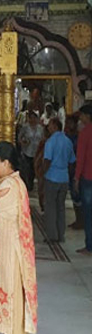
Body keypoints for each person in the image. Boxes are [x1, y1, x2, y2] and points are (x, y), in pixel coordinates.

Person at [0, 142, 38, 334]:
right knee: (14, 305)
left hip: (11, 255)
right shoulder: (8, 182)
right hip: (7, 251)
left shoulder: (10, 187)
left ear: (6, 163)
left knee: (14, 304)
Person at [43, 118, 76, 243]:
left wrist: (43, 173)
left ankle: (52, 235)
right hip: (64, 178)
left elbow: (47, 160)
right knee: (61, 207)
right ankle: (61, 234)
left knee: (51, 207)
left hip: (52, 176)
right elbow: (72, 161)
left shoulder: (50, 142)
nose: (48, 128)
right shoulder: (68, 141)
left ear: (55, 126)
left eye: (50, 125)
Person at [74, 104, 92, 256]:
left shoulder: (85, 133)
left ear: (87, 116)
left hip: (87, 177)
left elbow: (80, 158)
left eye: (82, 115)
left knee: (88, 213)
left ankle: (89, 246)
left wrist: (76, 177)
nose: (80, 118)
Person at [65, 114, 83, 229]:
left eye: (70, 123)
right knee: (73, 195)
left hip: (77, 169)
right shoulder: (66, 137)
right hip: (68, 169)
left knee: (78, 195)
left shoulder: (78, 138)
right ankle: (78, 219)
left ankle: (81, 220)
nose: (68, 125)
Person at [18, 111, 43, 191]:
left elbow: (43, 139)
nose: (32, 120)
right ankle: (29, 184)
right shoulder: (25, 127)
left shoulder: (40, 128)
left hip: (37, 152)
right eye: (31, 118)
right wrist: (23, 142)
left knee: (36, 169)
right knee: (28, 169)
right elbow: (19, 138)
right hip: (27, 151)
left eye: (34, 118)